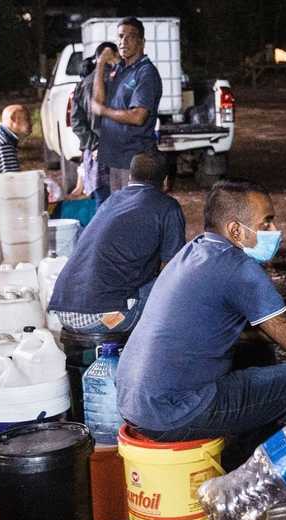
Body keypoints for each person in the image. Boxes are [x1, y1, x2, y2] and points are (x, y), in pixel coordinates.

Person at [117, 178, 286, 444]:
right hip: (176, 412)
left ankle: (248, 452)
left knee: (259, 354)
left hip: (133, 403)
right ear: (235, 230)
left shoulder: (193, 251)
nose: (275, 230)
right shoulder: (239, 269)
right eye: (266, 223)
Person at [48, 151, 184, 333]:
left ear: (130, 177)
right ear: (166, 181)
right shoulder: (167, 206)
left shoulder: (113, 200)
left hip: (64, 310)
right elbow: (174, 268)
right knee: (180, 287)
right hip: (104, 315)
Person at [91, 17, 163, 193]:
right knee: (119, 213)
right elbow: (97, 100)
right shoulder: (120, 69)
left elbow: (138, 117)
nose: (123, 42)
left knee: (135, 214)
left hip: (134, 160)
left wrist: (104, 111)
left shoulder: (146, 73)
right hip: (115, 158)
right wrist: (100, 64)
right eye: (120, 37)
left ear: (142, 42)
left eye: (130, 37)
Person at [73, 41, 118, 204]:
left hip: (95, 158)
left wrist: (94, 145)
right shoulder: (119, 81)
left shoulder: (82, 85)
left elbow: (77, 123)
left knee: (102, 208)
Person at [0, 105, 30, 173]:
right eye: (27, 119)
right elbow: (12, 178)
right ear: (14, 119)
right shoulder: (4, 145)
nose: (31, 123)